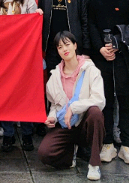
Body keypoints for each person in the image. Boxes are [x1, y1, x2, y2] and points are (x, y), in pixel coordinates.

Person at [87, 0, 129, 165]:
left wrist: (118, 44)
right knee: (105, 101)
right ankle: (107, 143)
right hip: (101, 58)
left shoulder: (128, 0)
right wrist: (100, 48)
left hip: (123, 57)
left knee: (125, 100)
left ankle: (127, 145)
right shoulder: (93, 1)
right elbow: (90, 26)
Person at [38, 31, 106, 182]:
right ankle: (70, 156)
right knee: (45, 153)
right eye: (60, 47)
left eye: (67, 44)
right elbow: (54, 105)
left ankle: (94, 163)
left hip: (85, 123)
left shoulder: (90, 70)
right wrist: (52, 117)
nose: (64, 49)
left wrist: (74, 107)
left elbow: (99, 99)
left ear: (75, 46)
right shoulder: (55, 76)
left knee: (95, 113)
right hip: (66, 125)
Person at [0, 0, 40, 153]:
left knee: (25, 93)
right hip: (1, 54)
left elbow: (34, 23)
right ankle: (8, 133)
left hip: (23, 54)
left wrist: (37, 15)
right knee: (5, 94)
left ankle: (27, 133)